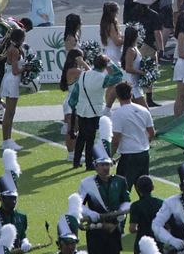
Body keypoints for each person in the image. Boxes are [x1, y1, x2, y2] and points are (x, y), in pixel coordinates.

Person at [79, 123, 131, 254]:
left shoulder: (120, 181)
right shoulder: (87, 183)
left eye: (108, 164)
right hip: (95, 229)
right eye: (102, 165)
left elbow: (126, 200)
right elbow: (78, 205)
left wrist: (121, 212)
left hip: (114, 227)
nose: (106, 168)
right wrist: (90, 214)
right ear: (96, 166)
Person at [68, 53, 125, 168]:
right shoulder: (103, 78)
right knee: (91, 138)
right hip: (95, 111)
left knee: (81, 137)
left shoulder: (83, 75)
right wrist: (110, 63)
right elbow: (119, 75)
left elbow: (75, 93)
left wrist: (73, 106)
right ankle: (89, 163)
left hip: (81, 109)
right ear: (104, 66)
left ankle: (76, 161)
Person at [0, 27, 25, 150]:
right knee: (9, 112)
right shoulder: (14, 50)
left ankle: (8, 140)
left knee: (10, 112)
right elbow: (15, 71)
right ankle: (6, 140)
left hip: (10, 80)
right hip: (11, 81)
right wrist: (26, 68)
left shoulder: (13, 48)